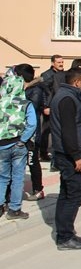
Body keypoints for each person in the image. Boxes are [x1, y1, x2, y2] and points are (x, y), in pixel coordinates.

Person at [50, 66, 81, 250]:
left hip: (67, 153)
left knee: (67, 194)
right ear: (77, 82)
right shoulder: (67, 99)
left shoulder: (67, 95)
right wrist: (76, 156)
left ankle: (66, 232)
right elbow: (68, 131)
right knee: (74, 195)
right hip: (70, 156)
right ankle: (65, 238)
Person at [0, 69, 37, 220]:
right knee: (17, 178)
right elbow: (32, 124)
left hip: (1, 145)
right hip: (18, 144)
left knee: (2, 177)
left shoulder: (1, 103)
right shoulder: (25, 103)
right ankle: (14, 209)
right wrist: (23, 140)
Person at [13, 64, 46, 201]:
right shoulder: (21, 88)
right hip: (18, 132)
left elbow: (28, 108)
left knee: (32, 162)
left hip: (32, 133)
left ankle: (38, 189)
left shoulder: (35, 91)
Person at [40, 54, 66, 162]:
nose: (61, 64)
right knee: (46, 131)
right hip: (50, 107)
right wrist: (45, 106)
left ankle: (59, 153)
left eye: (62, 62)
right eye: (58, 62)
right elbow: (44, 93)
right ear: (52, 63)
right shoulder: (46, 75)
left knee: (60, 131)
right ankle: (43, 153)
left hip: (60, 106)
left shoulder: (64, 74)